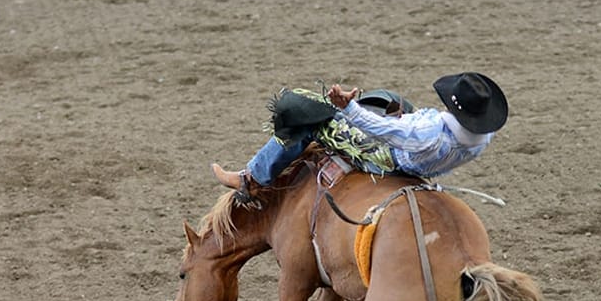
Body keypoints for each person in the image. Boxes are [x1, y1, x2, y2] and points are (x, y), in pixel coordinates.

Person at [212, 72, 508, 199]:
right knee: (389, 98)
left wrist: (348, 107)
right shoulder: (483, 138)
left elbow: (383, 130)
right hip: (422, 160)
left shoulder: (428, 132)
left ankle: (251, 178)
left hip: (389, 158)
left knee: (306, 116)